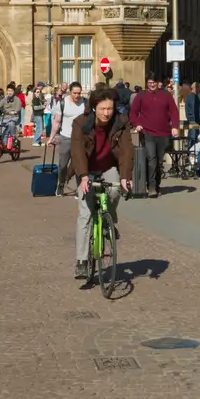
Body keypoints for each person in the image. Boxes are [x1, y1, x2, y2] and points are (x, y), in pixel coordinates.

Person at [70, 87, 134, 279]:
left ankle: (110, 222)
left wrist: (125, 177)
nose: (107, 113)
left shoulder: (121, 123)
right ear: (94, 108)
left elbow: (126, 151)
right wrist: (82, 176)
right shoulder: (80, 123)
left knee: (115, 192)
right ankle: (81, 261)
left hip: (108, 167)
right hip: (87, 170)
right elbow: (77, 151)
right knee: (86, 213)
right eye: (103, 109)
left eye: (110, 109)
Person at [129, 77, 178, 197]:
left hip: (163, 133)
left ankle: (157, 184)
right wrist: (137, 124)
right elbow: (133, 112)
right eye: (149, 83)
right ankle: (151, 187)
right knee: (152, 159)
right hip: (147, 132)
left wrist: (175, 126)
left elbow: (174, 111)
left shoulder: (166, 95)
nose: (151, 85)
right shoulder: (141, 95)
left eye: (154, 83)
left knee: (159, 161)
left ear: (158, 83)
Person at [51, 81, 89, 195]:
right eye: (74, 93)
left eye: (79, 93)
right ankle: (61, 183)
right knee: (62, 165)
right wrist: (51, 138)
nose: (77, 96)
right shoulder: (63, 103)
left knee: (79, 164)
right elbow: (56, 122)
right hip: (66, 137)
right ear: (70, 92)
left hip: (80, 139)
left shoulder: (85, 103)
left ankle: (79, 189)